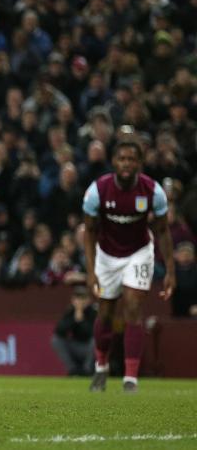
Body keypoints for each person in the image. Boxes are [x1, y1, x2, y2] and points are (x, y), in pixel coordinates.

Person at [82, 137, 175, 393]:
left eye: (131, 159)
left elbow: (164, 231)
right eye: (122, 159)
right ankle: (101, 367)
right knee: (106, 313)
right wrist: (91, 273)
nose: (126, 164)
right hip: (106, 255)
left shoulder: (152, 191)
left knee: (133, 307)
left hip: (139, 252)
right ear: (113, 162)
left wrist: (170, 271)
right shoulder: (97, 191)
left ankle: (130, 378)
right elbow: (88, 232)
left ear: (140, 164)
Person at [51, 286, 97, 376]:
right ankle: (72, 370)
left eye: (83, 298)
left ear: (88, 300)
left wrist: (81, 320)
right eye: (77, 298)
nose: (80, 301)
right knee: (56, 340)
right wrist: (74, 319)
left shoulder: (93, 312)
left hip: (88, 347)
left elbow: (91, 333)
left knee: (95, 341)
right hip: (75, 346)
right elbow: (59, 331)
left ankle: (87, 370)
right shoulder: (70, 311)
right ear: (73, 300)